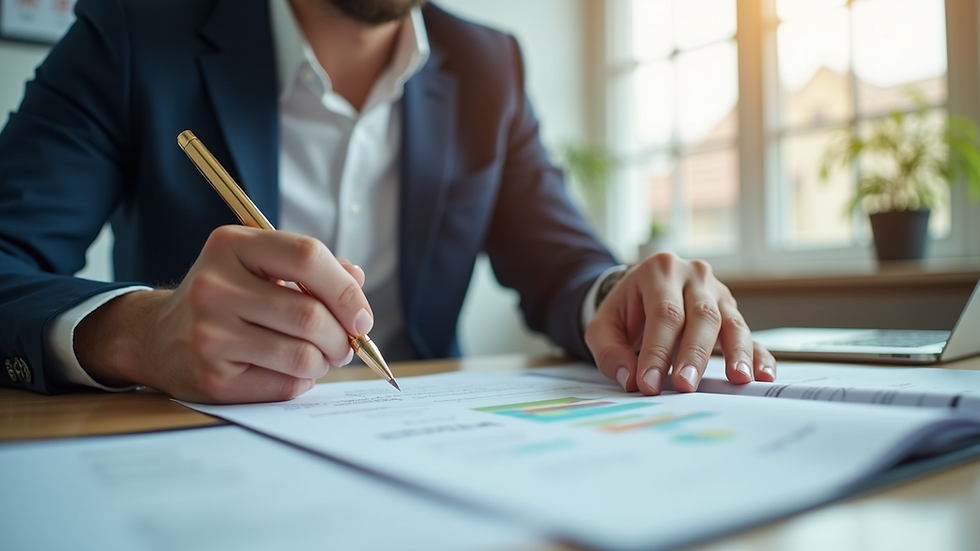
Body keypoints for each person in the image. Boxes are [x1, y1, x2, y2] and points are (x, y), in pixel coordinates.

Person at [0, 0, 775, 404]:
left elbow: (561, 263)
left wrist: (618, 294)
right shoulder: (134, 32)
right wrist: (138, 333)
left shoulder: (488, 63)